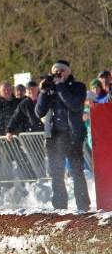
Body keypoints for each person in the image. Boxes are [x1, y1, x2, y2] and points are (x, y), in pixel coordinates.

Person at [35, 60, 90, 211]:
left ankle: (83, 206)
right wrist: (43, 92)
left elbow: (74, 105)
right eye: (55, 71)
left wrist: (60, 86)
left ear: (68, 71)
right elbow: (39, 112)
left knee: (77, 172)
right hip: (54, 137)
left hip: (73, 136)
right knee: (56, 174)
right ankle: (60, 208)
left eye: (61, 71)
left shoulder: (78, 87)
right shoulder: (50, 89)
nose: (58, 74)